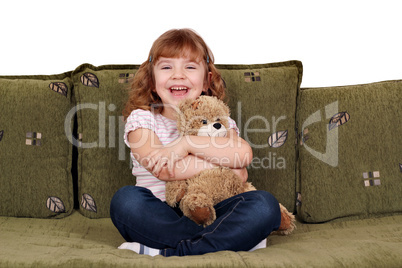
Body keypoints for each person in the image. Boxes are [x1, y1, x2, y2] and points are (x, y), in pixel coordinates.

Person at [110, 28, 281, 257]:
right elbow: (164, 169)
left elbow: (243, 155)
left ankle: (169, 251)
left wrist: (187, 144)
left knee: (264, 205)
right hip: (162, 213)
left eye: (190, 67)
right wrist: (225, 164)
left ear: (206, 81)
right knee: (126, 201)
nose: (178, 75)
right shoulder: (142, 119)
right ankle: (228, 240)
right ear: (152, 81)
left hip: (215, 212)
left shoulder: (218, 120)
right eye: (166, 67)